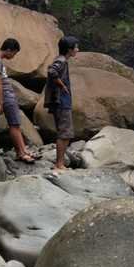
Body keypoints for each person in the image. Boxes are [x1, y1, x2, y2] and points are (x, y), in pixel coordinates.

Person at [0, 38, 36, 164]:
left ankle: (23, 150)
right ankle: (21, 153)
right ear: (8, 50)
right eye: (14, 53)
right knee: (14, 125)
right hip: (5, 96)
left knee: (16, 124)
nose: (14, 56)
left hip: (7, 95)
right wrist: (1, 102)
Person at [44, 36, 79, 171]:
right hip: (62, 102)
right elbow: (51, 71)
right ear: (69, 50)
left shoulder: (63, 60)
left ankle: (60, 163)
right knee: (64, 133)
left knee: (66, 133)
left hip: (63, 101)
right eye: (76, 47)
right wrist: (62, 85)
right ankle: (59, 164)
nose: (78, 50)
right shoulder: (62, 60)